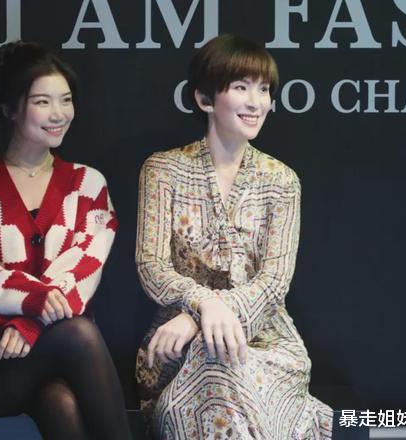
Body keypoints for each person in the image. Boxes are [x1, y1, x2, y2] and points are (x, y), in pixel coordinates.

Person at [0, 41, 131, 440]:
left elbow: (82, 275)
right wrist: (35, 304)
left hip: (52, 357)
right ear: (9, 108)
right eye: (42, 101)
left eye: (66, 100)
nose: (59, 114)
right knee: (78, 332)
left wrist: (31, 323)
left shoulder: (89, 185)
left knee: (61, 403)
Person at [135, 34, 333, 439]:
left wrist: (205, 317)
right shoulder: (163, 170)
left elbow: (275, 282)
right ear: (205, 99)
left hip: (265, 341)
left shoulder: (281, 180)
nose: (256, 102)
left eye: (264, 90)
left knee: (226, 369)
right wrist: (202, 306)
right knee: (212, 367)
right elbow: (150, 265)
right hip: (176, 344)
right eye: (241, 87)